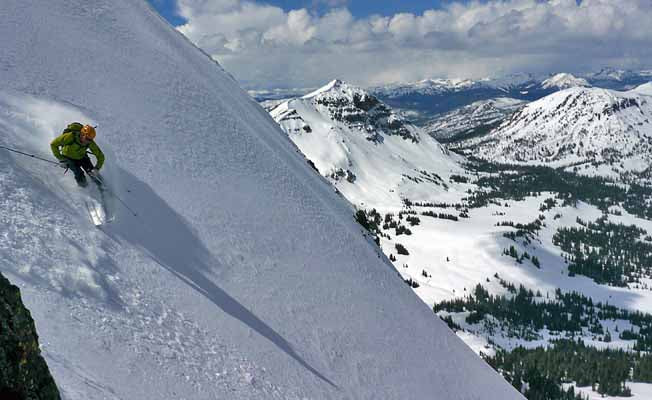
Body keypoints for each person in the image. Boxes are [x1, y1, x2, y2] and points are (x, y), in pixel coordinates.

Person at [50, 123, 105, 187]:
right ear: (82, 134)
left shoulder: (90, 142)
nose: (89, 141)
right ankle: (85, 189)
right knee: (79, 173)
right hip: (68, 158)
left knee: (92, 173)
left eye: (90, 139)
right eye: (87, 139)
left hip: (82, 156)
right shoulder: (70, 137)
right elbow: (53, 144)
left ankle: (103, 188)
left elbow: (101, 156)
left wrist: (97, 168)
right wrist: (61, 159)